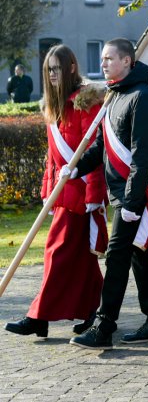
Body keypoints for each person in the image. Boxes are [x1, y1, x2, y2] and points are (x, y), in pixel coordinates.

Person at [69, 39, 148, 350]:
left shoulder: (143, 97)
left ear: (127, 61)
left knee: (116, 258)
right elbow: (102, 146)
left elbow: (144, 155)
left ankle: (103, 327)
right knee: (142, 255)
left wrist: (131, 200)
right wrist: (76, 168)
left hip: (135, 194)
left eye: (109, 58)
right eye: (102, 59)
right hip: (120, 193)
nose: (103, 64)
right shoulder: (114, 95)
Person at [5, 46, 108, 339]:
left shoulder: (86, 104)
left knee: (57, 253)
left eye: (57, 68)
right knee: (81, 258)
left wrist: (93, 197)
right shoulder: (54, 106)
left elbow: (94, 152)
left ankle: (38, 316)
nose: (52, 74)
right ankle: (94, 310)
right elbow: (53, 157)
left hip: (80, 192)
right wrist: (47, 191)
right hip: (62, 192)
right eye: (48, 69)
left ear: (71, 67)